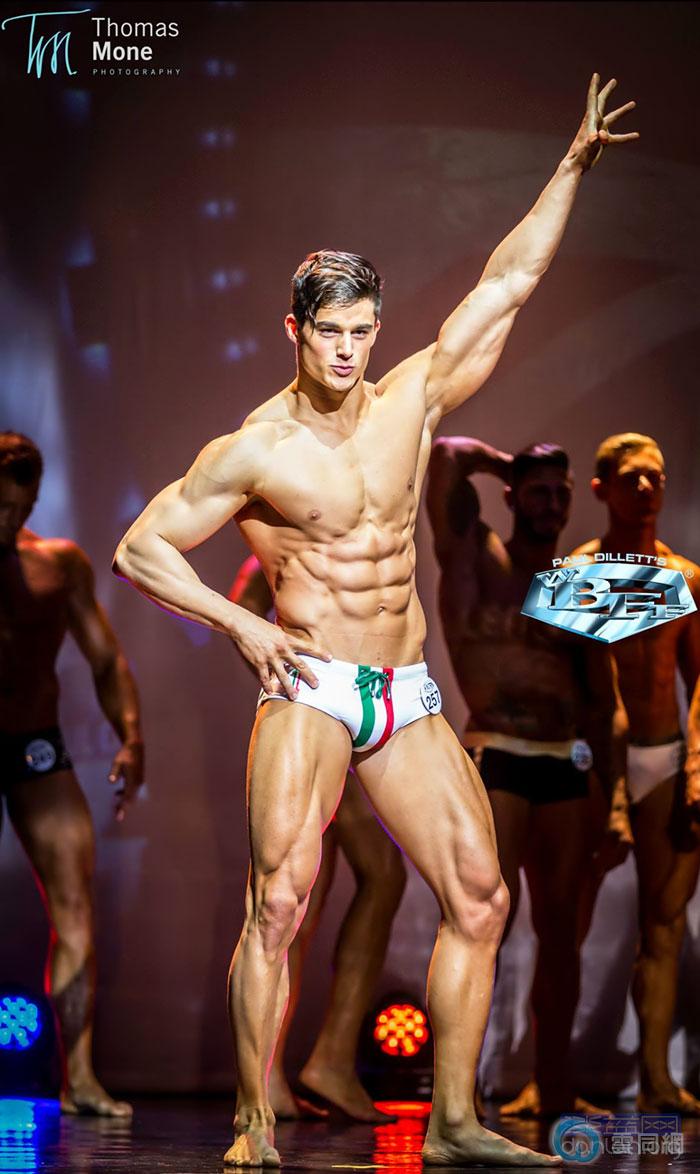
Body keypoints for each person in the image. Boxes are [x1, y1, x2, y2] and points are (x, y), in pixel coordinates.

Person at [113, 74, 637, 1167]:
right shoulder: (254, 449)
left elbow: (508, 283)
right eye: (329, 332)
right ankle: (253, 1124)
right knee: (280, 901)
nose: (348, 351)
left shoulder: (412, 400)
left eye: (362, 330)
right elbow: (141, 547)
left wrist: (571, 165)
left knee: (481, 897)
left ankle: (451, 1124)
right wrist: (239, 626)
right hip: (308, 684)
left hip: (402, 690)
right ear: (293, 329)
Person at [426, 438, 629, 1118]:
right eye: (537, 491)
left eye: (561, 493)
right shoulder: (478, 556)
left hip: (565, 760)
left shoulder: (578, 585)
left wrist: (614, 799)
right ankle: (457, 1099)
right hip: (498, 752)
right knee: (481, 921)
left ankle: (556, 1091)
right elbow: (445, 454)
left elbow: (603, 702)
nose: (551, 504)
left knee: (562, 932)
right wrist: (503, 463)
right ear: (512, 495)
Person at [230, 554, 406, 1123]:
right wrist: (293, 681)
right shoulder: (284, 540)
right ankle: (301, 1070)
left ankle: (293, 1071)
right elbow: (243, 609)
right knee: (303, 894)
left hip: (348, 708)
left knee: (307, 892)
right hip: (319, 712)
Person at [0, 432, 144, 1116]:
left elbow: (107, 660)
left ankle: (79, 1078)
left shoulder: (58, 565)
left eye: (21, 506)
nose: (9, 517)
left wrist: (132, 738)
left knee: (76, 904)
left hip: (33, 745)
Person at [571, 432, 700, 1114]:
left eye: (656, 477)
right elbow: (578, 683)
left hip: (664, 756)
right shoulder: (579, 572)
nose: (646, 489)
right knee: (567, 920)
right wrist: (602, 777)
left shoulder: (686, 576)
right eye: (632, 478)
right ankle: (548, 1076)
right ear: (602, 489)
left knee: (665, 921)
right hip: (596, 761)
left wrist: (697, 762)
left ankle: (656, 1078)